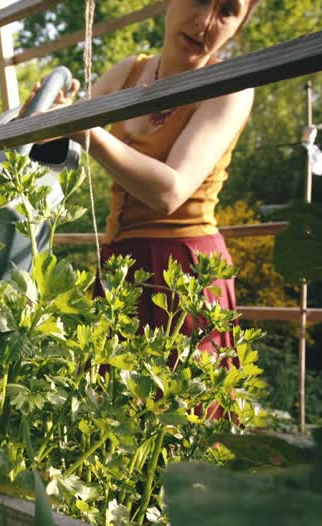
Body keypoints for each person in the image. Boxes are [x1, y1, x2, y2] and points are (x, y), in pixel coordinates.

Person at [24, 0, 259, 356]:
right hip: (120, 266)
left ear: (238, 26)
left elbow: (170, 192)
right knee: (107, 403)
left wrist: (84, 130)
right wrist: (41, 115)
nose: (206, 22)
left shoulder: (231, 88)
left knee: (183, 408)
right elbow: (59, 134)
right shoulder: (129, 71)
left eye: (227, 10)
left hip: (185, 272)